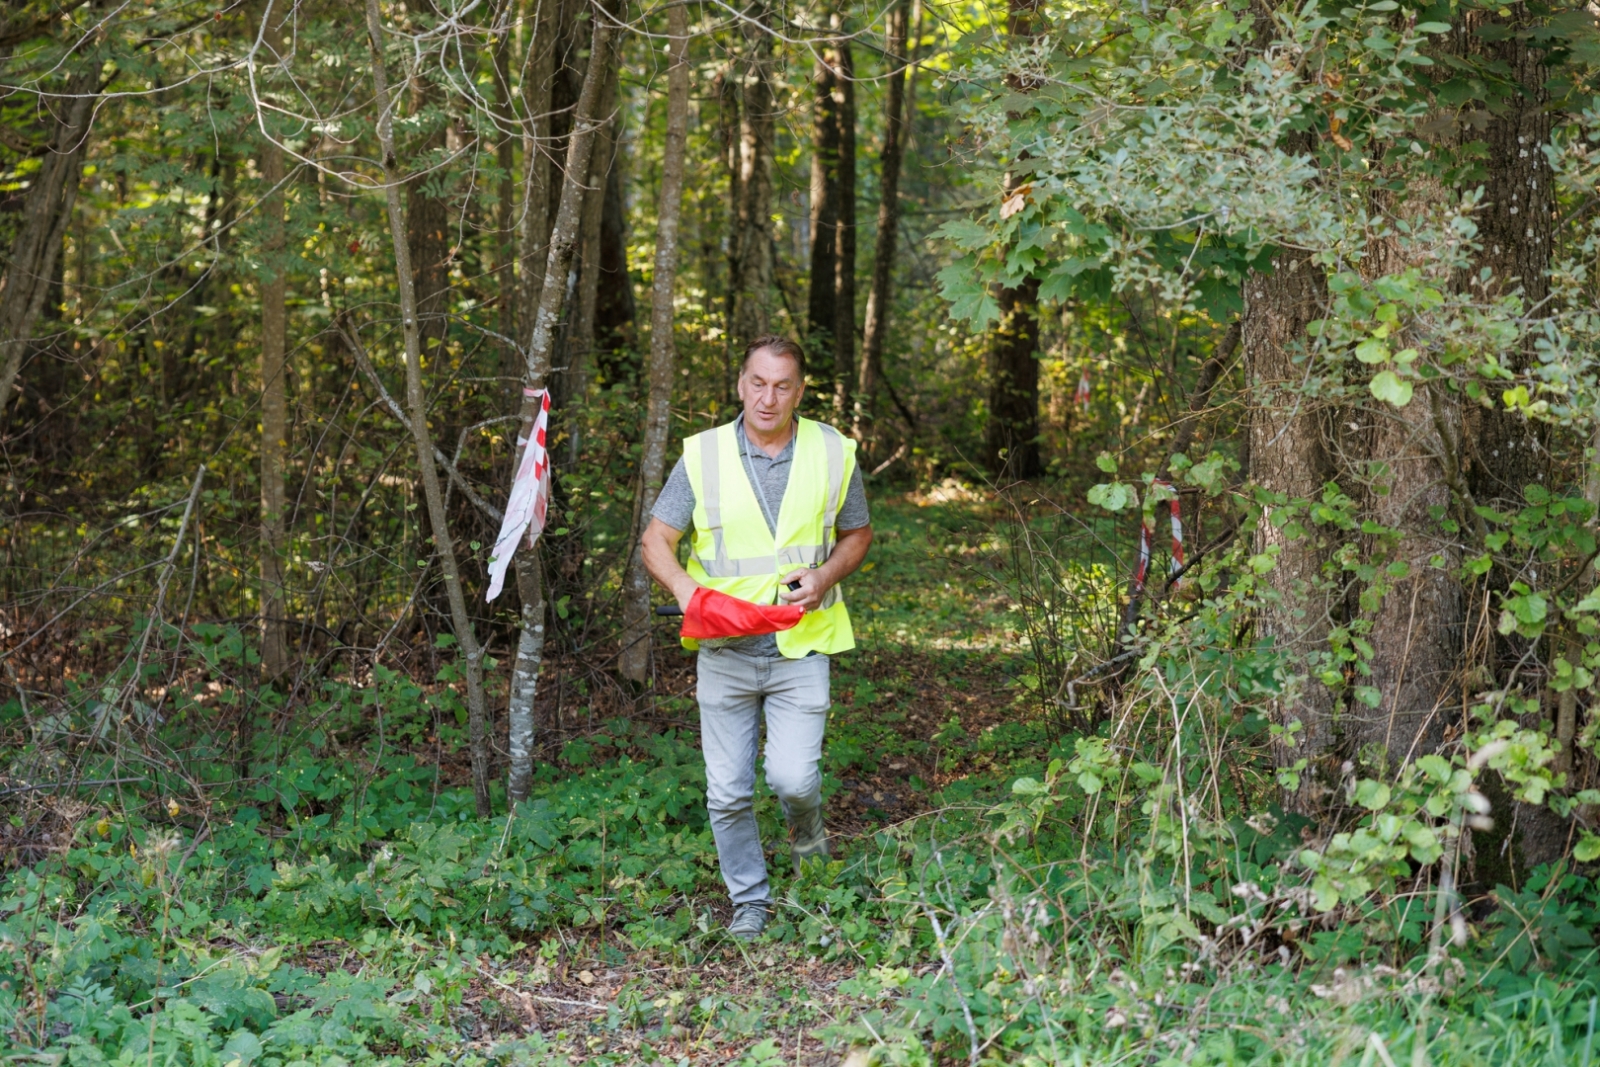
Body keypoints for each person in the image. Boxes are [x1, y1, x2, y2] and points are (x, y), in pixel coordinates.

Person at [641, 335, 873, 940]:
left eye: (782, 386)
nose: (768, 398)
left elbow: (858, 534)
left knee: (794, 780)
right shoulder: (704, 456)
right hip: (724, 652)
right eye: (757, 383)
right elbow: (655, 541)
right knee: (727, 793)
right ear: (740, 383)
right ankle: (751, 902)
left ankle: (809, 842)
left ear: (800, 391)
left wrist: (823, 575)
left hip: (803, 644)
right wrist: (687, 593)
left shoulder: (830, 450)